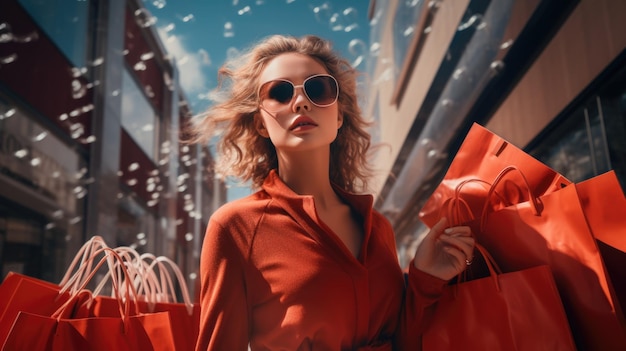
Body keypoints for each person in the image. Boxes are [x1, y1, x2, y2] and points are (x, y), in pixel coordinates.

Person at [188, 34, 475, 351]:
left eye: (318, 88)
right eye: (280, 93)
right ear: (259, 124)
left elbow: (403, 342)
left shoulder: (378, 228)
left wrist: (425, 278)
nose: (300, 102)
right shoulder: (235, 227)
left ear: (339, 115)